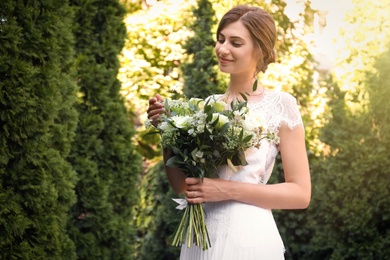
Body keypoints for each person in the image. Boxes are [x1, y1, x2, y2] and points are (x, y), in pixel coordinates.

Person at [147, 4, 311, 260]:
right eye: (221, 39)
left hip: (248, 238)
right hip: (201, 240)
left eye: (235, 42)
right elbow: (180, 185)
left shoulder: (282, 105)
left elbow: (301, 194)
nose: (222, 49)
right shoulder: (205, 107)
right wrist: (166, 131)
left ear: (260, 49)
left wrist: (226, 190)